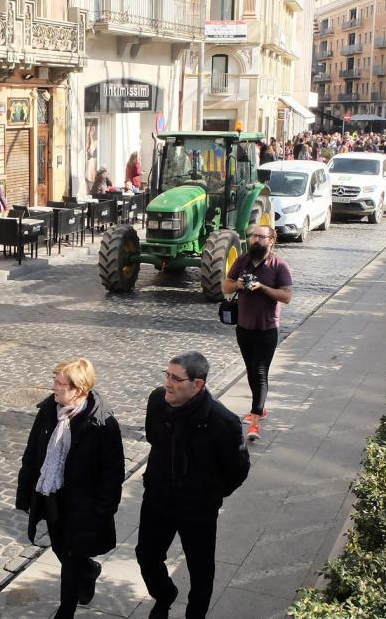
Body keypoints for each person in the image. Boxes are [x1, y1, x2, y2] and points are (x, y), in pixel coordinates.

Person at [136, 351, 250, 619]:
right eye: (167, 375)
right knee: (147, 557)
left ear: (198, 384)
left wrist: (208, 493)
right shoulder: (157, 401)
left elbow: (237, 470)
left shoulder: (223, 422)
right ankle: (165, 594)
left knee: (200, 571)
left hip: (197, 509)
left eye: (176, 378)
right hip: (158, 499)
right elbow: (154, 437)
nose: (168, 383)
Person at [16, 358, 124, 619]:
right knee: (60, 549)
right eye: (55, 380)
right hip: (52, 496)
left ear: (80, 390)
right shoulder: (48, 411)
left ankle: (66, 611)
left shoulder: (102, 425)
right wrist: (25, 493)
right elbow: (33, 453)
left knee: (72, 558)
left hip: (82, 506)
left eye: (60, 383)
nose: (54, 387)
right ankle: (89, 570)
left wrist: (102, 510)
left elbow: (113, 473)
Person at [222, 224, 293, 441]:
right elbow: (226, 286)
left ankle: (254, 420)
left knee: (260, 372)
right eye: (253, 236)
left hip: (267, 328)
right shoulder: (242, 261)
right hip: (244, 328)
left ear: (272, 240)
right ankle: (260, 408)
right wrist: (239, 285)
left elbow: (286, 296)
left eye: (261, 237)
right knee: (251, 370)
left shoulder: (279, 265)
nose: (255, 240)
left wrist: (262, 288)